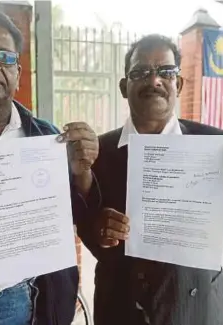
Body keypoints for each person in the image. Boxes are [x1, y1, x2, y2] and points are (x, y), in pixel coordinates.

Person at [0, 6, 99, 325]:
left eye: (4, 56)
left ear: (18, 73)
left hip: (48, 299)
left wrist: (83, 172)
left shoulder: (48, 136)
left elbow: (80, 215)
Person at [76, 34, 223, 325]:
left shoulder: (215, 145)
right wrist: (99, 230)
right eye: (140, 72)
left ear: (178, 84)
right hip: (121, 309)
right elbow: (85, 225)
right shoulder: (98, 153)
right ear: (123, 86)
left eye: (166, 72)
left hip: (198, 308)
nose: (154, 80)